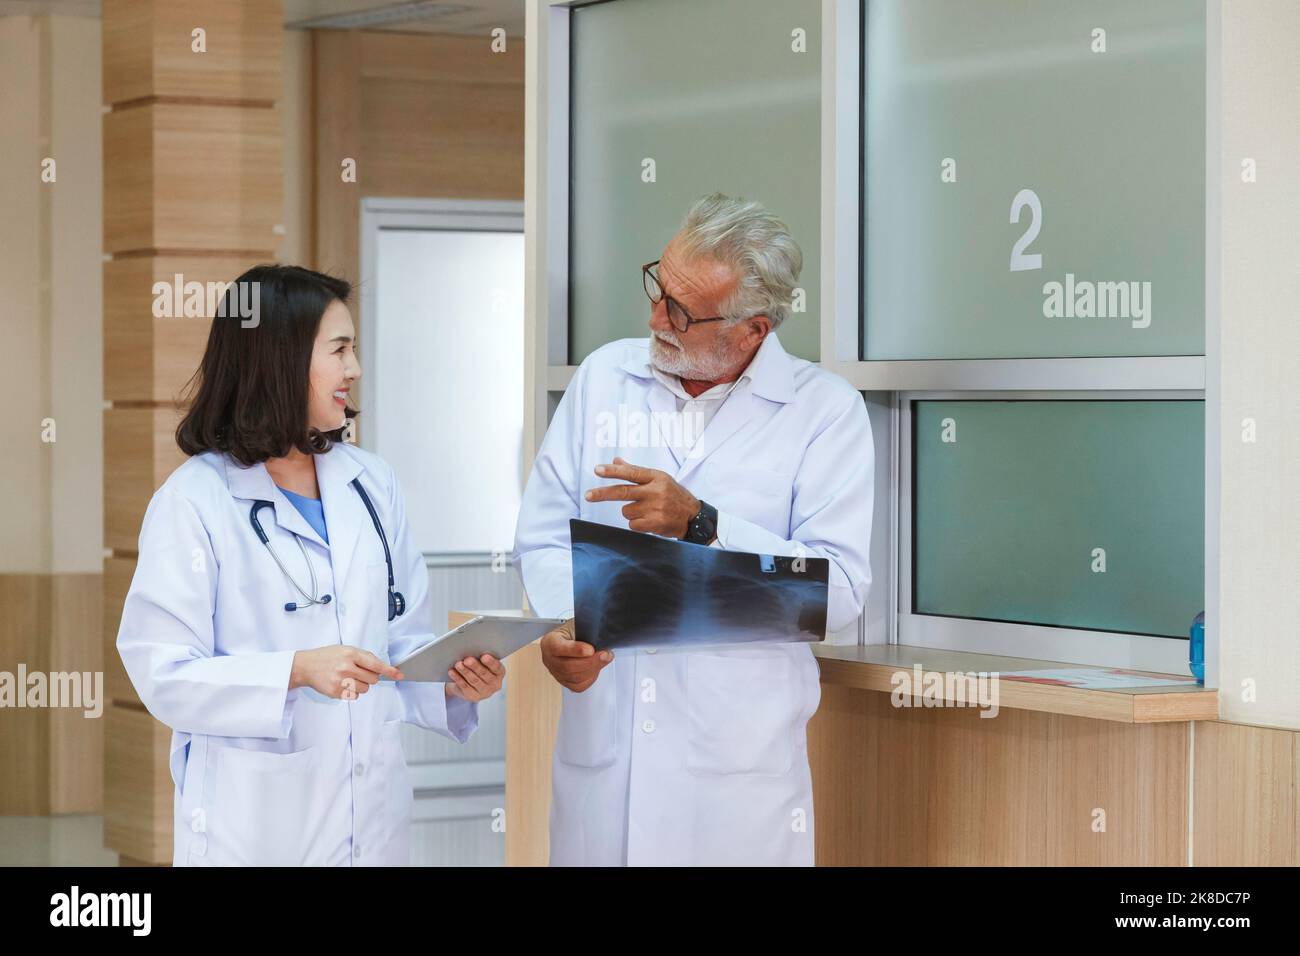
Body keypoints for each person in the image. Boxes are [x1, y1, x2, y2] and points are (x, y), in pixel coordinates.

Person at [513, 193, 874, 866]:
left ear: (753, 331)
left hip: (735, 791)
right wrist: (568, 628)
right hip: (607, 768)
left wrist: (704, 524)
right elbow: (540, 538)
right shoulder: (603, 380)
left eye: (680, 310)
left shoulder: (825, 414)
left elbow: (842, 596)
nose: (656, 316)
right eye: (658, 287)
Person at [117, 265, 504, 866]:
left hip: (371, 817)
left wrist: (454, 682)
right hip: (256, 824)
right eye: (340, 349)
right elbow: (162, 672)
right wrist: (294, 671)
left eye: (354, 349)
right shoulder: (194, 502)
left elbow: (401, 640)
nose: (355, 369)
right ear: (281, 359)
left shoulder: (372, 483)